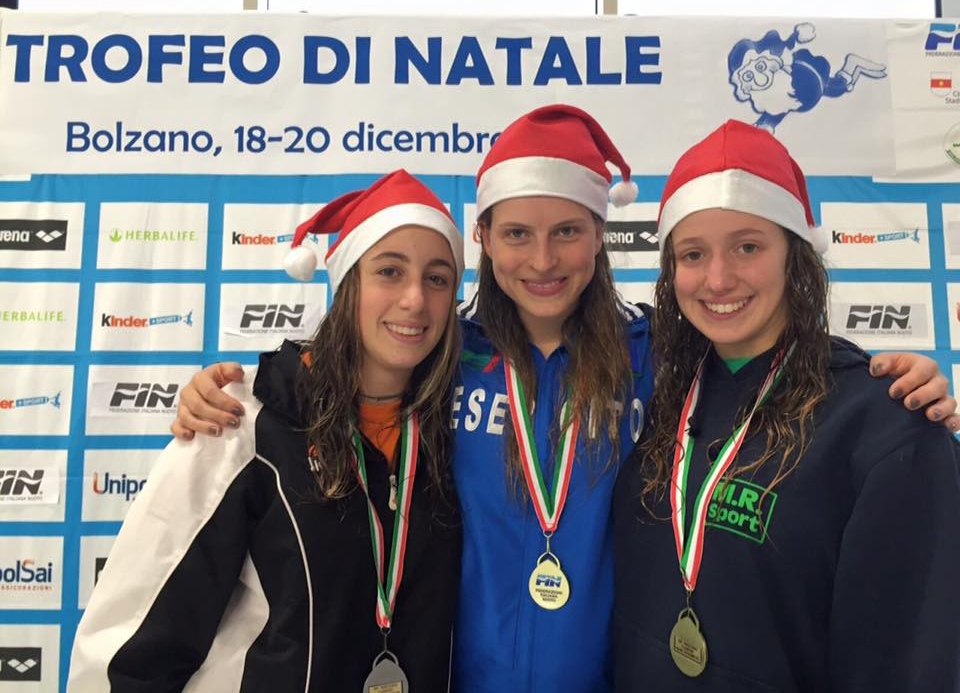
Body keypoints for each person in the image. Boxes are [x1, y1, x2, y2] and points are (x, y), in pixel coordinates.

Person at [168, 106, 958, 693]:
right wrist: (229, 390)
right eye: (517, 234)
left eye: (568, 232)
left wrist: (887, 381)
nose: (542, 260)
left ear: (601, 235)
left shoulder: (662, 360)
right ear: (484, 240)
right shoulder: (441, 356)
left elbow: (769, 378)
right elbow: (341, 380)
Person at [68, 170, 465, 692]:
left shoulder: (458, 428)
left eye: (437, 278)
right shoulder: (244, 421)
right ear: (348, 283)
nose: (415, 299)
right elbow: (132, 638)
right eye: (389, 271)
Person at [613, 120, 960, 691]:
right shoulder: (657, 392)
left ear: (794, 255)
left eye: (747, 247)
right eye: (693, 254)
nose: (717, 279)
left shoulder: (885, 426)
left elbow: (909, 664)